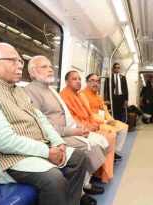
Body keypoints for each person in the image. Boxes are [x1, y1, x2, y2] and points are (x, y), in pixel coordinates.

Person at [0, 42, 87, 205]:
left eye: (20, 61)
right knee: (54, 179)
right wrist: (47, 152)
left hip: (37, 149)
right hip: (6, 159)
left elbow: (41, 119)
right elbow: (3, 141)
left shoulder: (18, 90)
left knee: (78, 157)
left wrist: (58, 143)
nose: (20, 66)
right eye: (13, 61)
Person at [25, 56, 109, 201]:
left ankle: (84, 184)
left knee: (100, 143)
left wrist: (79, 127)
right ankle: (80, 191)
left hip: (66, 130)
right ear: (32, 72)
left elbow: (68, 115)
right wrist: (74, 131)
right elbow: (41, 125)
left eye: (50, 66)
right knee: (90, 148)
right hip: (54, 136)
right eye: (44, 67)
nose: (50, 69)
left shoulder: (51, 90)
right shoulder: (30, 91)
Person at [60, 70, 116, 183]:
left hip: (91, 124)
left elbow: (89, 113)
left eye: (79, 79)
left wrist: (101, 122)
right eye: (74, 79)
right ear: (66, 82)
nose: (78, 81)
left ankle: (101, 173)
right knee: (108, 138)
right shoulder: (65, 96)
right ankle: (97, 176)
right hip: (79, 129)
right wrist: (91, 126)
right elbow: (73, 119)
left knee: (112, 134)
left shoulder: (78, 95)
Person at [79, 73, 128, 161]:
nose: (95, 83)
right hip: (93, 122)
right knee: (112, 132)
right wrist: (105, 122)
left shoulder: (98, 96)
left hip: (104, 120)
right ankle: (109, 154)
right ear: (87, 82)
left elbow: (104, 110)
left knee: (123, 127)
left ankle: (114, 151)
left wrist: (111, 120)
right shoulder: (83, 95)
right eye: (92, 81)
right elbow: (88, 113)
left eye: (97, 81)